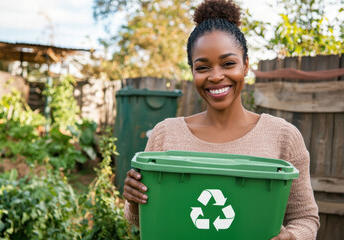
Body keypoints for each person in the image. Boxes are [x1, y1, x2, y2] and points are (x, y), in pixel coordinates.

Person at [123, 0, 320, 239]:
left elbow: (305, 218)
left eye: (228, 64)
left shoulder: (282, 136)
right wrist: (134, 199)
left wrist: (292, 237)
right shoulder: (166, 134)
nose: (216, 76)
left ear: (246, 65)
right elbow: (144, 220)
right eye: (203, 67)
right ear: (192, 71)